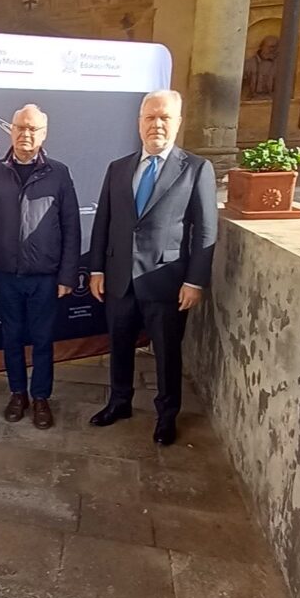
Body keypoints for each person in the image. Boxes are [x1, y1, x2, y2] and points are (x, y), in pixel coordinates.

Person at [88, 90, 218, 445]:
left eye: (165, 118)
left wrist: (195, 281)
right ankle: (119, 402)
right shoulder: (118, 168)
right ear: (139, 123)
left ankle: (166, 415)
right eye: (150, 117)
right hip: (118, 279)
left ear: (178, 123)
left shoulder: (196, 169)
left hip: (167, 281)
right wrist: (96, 269)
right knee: (118, 345)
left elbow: (206, 230)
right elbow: (104, 222)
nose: (156, 124)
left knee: (166, 352)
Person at [0, 104, 80, 429]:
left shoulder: (58, 173)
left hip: (45, 278)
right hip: (5, 276)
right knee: (12, 339)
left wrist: (67, 276)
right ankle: (18, 393)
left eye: (33, 128)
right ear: (11, 130)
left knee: (44, 341)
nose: (26, 134)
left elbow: (72, 227)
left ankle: (41, 397)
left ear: (43, 134)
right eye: (20, 127)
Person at [242, 36, 280, 101]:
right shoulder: (248, 64)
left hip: (272, 101)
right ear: (262, 46)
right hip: (250, 102)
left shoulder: (281, 66)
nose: (272, 50)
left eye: (275, 47)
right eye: (270, 47)